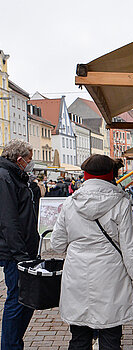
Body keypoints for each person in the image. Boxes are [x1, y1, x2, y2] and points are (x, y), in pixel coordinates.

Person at [51, 154, 133, 350]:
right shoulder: (121, 204)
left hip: (77, 275)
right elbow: (130, 250)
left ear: (85, 175)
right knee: (111, 337)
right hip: (110, 276)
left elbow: (56, 244)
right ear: (111, 175)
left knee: (79, 338)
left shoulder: (70, 203)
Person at [0, 140, 40, 350]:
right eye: (29, 160)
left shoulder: (16, 177)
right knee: (16, 300)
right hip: (16, 253)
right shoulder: (5, 177)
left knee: (26, 300)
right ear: (19, 160)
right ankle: (10, 346)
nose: (30, 164)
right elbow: (8, 220)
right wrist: (21, 255)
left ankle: (14, 343)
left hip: (24, 251)